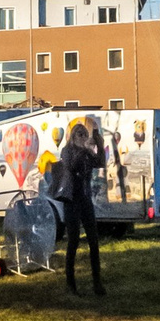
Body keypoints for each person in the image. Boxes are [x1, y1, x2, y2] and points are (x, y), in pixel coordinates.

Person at [57, 115, 105, 298]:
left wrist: (99, 145)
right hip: (71, 201)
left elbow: (100, 162)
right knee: (74, 241)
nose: (82, 137)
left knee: (94, 240)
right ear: (72, 136)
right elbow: (70, 166)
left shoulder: (86, 153)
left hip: (85, 200)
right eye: (79, 134)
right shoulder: (67, 151)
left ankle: (97, 281)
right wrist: (83, 150)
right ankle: (71, 283)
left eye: (84, 134)